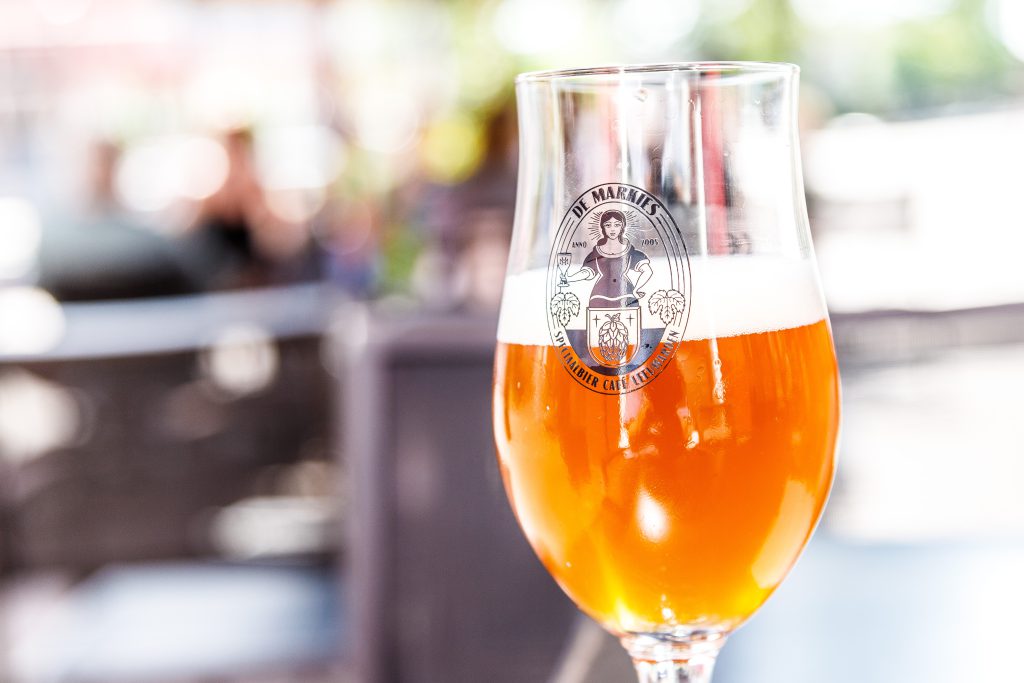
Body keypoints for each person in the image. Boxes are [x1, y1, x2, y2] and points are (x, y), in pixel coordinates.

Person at [562, 209, 653, 308]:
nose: (612, 229)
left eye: (617, 225)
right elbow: (586, 272)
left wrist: (636, 289)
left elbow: (647, 271)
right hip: (600, 295)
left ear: (622, 227)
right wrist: (570, 278)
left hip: (626, 295)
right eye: (608, 225)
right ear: (603, 227)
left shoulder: (629, 251)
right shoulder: (597, 252)